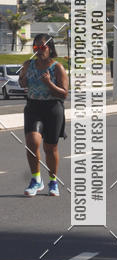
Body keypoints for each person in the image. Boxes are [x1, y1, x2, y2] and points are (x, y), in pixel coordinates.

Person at [18, 33, 69, 197]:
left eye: (42, 47)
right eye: (36, 47)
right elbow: (22, 81)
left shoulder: (57, 67)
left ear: (50, 48)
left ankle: (53, 182)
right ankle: (36, 179)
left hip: (53, 109)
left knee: (50, 148)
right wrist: (22, 81)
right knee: (32, 143)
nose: (39, 50)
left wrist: (49, 83)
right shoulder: (28, 64)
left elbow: (64, 94)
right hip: (33, 107)